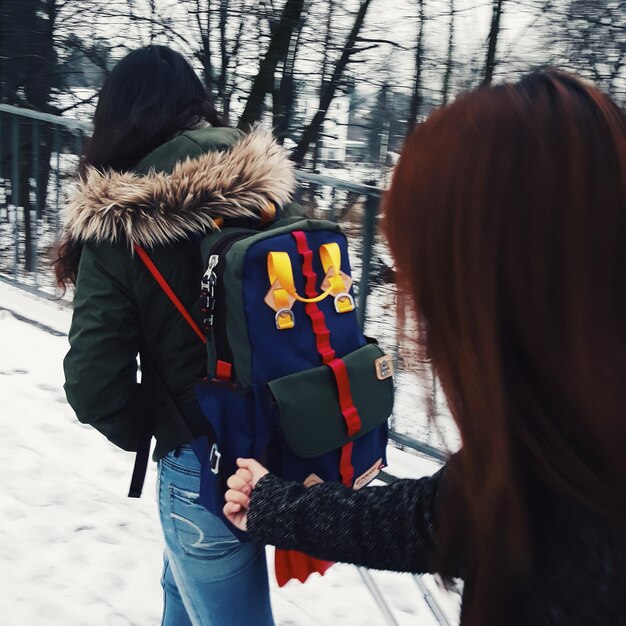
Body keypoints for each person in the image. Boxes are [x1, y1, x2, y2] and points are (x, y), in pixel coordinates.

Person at [224, 70, 626, 626]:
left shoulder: (582, 545)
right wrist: (279, 506)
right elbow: (438, 519)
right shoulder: (564, 445)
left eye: (436, 290)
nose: (432, 335)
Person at [55, 45, 298, 626]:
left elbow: (94, 384)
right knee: (185, 604)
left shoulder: (120, 218)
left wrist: (159, 427)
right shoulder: (266, 191)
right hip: (274, 449)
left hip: (200, 463)